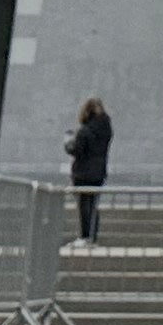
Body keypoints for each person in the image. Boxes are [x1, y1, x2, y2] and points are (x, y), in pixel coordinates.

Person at [65, 97, 112, 242]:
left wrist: (68, 144)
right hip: (99, 172)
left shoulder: (85, 131)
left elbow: (78, 150)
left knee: (84, 206)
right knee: (93, 205)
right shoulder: (106, 130)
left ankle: (85, 236)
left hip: (83, 172)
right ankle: (92, 236)